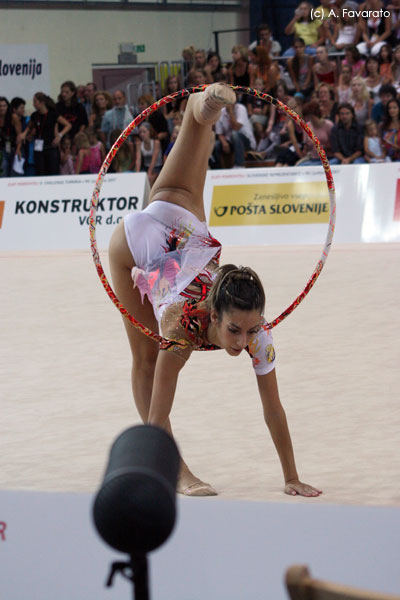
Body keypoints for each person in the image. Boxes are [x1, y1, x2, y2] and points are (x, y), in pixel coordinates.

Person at [108, 82, 322, 498]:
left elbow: (273, 408)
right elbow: (158, 414)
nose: (243, 343)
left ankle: (200, 111)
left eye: (248, 331)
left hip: (183, 229)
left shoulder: (258, 332)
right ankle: (178, 473)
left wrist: (291, 476)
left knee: (177, 192)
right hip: (134, 246)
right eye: (235, 331)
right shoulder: (182, 329)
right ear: (214, 316)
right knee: (146, 362)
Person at [19, 92, 71, 176]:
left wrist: (59, 136)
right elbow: (29, 127)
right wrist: (24, 134)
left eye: (35, 102)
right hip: (39, 149)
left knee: (53, 172)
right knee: (40, 172)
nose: (33, 104)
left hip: (51, 147)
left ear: (42, 102)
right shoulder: (34, 115)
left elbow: (68, 125)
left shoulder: (53, 114)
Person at [214, 98, 256, 168]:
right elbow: (219, 133)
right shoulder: (221, 112)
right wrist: (224, 143)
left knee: (234, 134)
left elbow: (236, 128)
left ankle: (239, 165)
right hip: (231, 141)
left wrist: (230, 112)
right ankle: (218, 170)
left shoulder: (241, 108)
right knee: (217, 145)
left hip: (246, 141)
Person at [299, 100, 334, 165]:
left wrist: (323, 148)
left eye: (309, 116)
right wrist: (306, 147)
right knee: (300, 166)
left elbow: (334, 146)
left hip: (328, 157)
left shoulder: (329, 125)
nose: (307, 118)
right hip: (313, 158)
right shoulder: (307, 126)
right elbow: (305, 148)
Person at [0, 97, 21, 177]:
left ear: (8, 106)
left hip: (14, 148)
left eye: (4, 106)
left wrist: (18, 149)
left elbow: (19, 135)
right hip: (2, 149)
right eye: (0, 106)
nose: (2, 108)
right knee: (3, 172)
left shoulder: (13, 117)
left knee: (14, 174)